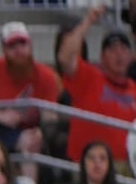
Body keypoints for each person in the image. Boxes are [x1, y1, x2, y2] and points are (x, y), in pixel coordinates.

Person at [0, 21, 62, 156]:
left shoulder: (47, 76)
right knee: (24, 141)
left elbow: (50, 116)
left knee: (33, 141)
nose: (18, 50)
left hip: (32, 130)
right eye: (12, 46)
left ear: (30, 45)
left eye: (22, 44)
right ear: (3, 49)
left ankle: (30, 178)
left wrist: (42, 131)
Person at [57, 14, 136, 165]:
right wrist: (88, 21)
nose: (119, 54)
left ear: (131, 57)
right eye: (112, 50)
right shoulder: (88, 77)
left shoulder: (134, 90)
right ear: (101, 57)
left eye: (124, 49)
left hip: (127, 168)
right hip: (87, 167)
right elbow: (65, 57)